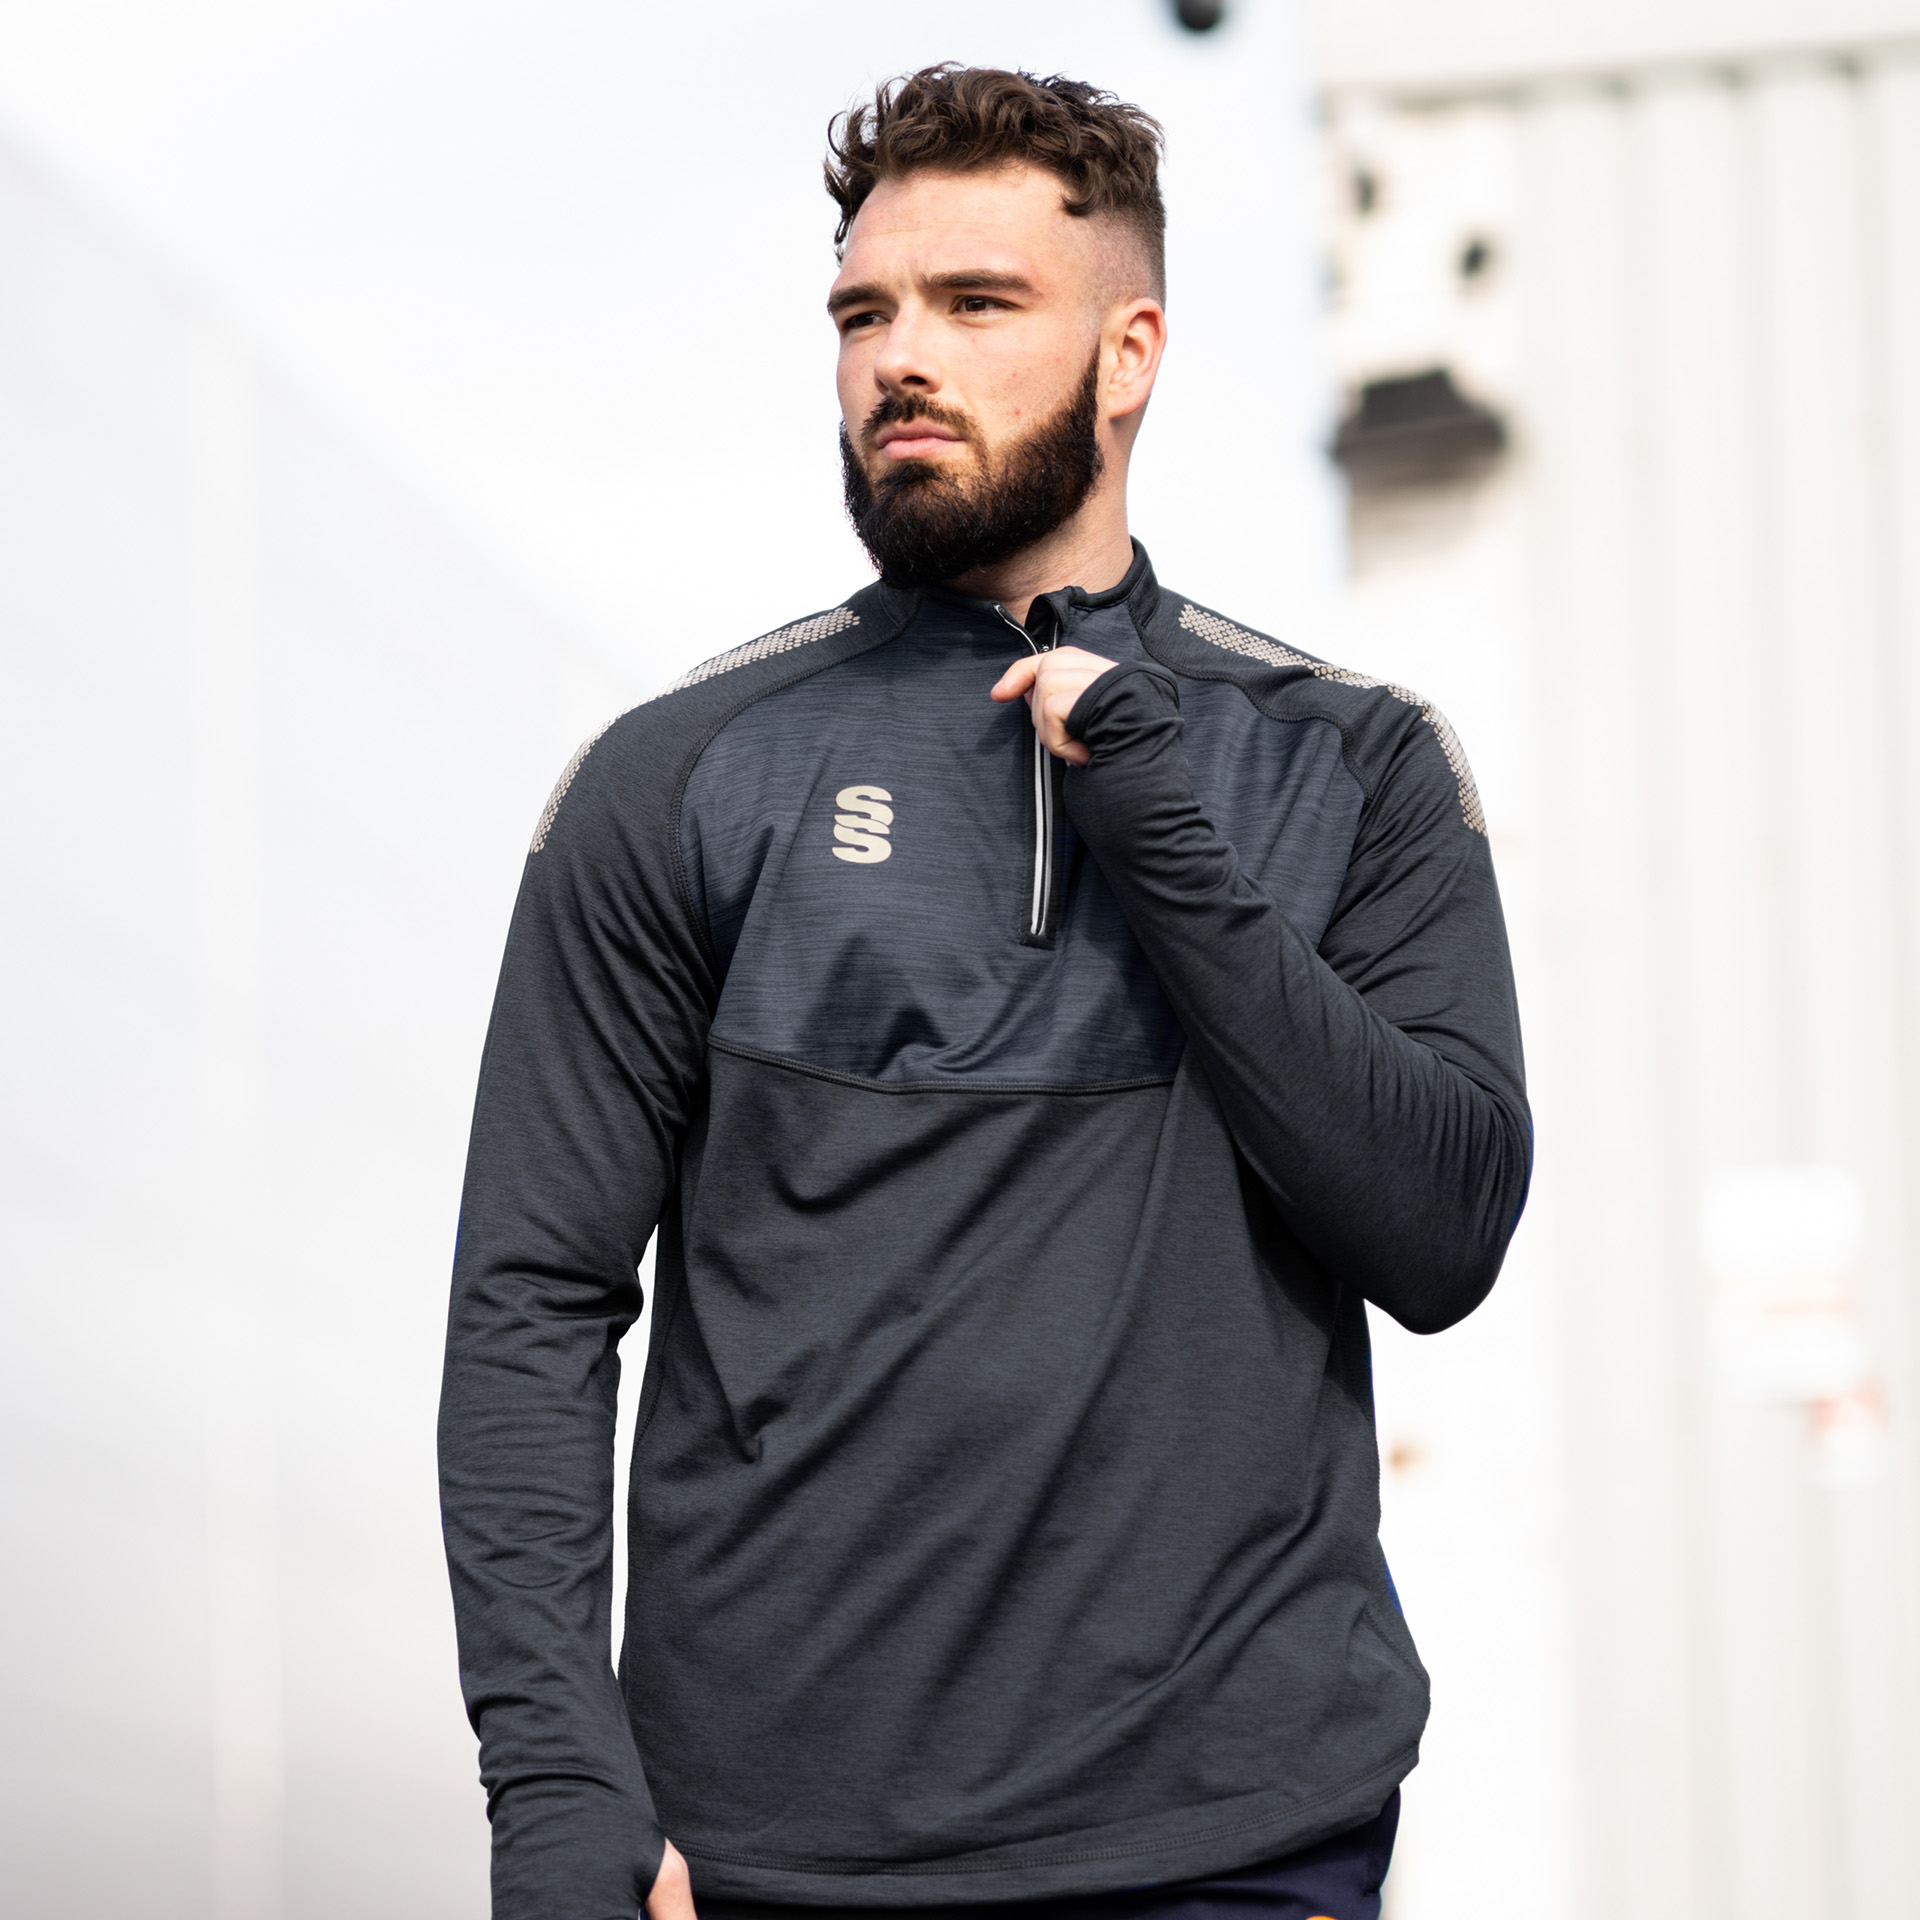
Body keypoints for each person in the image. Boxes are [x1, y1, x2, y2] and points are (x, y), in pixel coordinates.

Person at [438, 64, 1530, 1920]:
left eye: (976, 303)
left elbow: (1440, 1235)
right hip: (777, 1854)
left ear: (1130, 353)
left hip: (1234, 1838)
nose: (900, 360)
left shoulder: (1353, 764)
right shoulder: (677, 775)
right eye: (864, 313)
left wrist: (1161, 836)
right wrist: (556, 1793)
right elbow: (530, 1308)